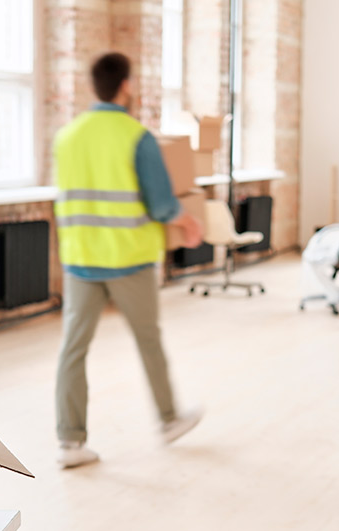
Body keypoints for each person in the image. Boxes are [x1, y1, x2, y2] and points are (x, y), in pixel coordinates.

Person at [52, 52, 203, 469]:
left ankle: (70, 442)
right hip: (128, 259)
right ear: (126, 86)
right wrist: (188, 221)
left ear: (93, 87)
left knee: (73, 348)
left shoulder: (67, 136)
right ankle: (170, 419)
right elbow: (159, 203)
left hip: (81, 259)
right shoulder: (136, 136)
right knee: (147, 340)